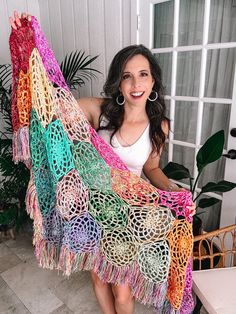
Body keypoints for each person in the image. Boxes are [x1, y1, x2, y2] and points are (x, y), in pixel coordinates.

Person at [10, 11, 196, 314]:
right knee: (99, 277)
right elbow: (52, 107)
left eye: (143, 74)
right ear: (119, 83)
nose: (136, 83)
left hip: (129, 215)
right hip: (95, 209)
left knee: (122, 291)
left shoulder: (160, 124)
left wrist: (174, 192)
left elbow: (151, 169)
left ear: (153, 81)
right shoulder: (100, 111)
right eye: (127, 76)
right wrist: (32, 46)